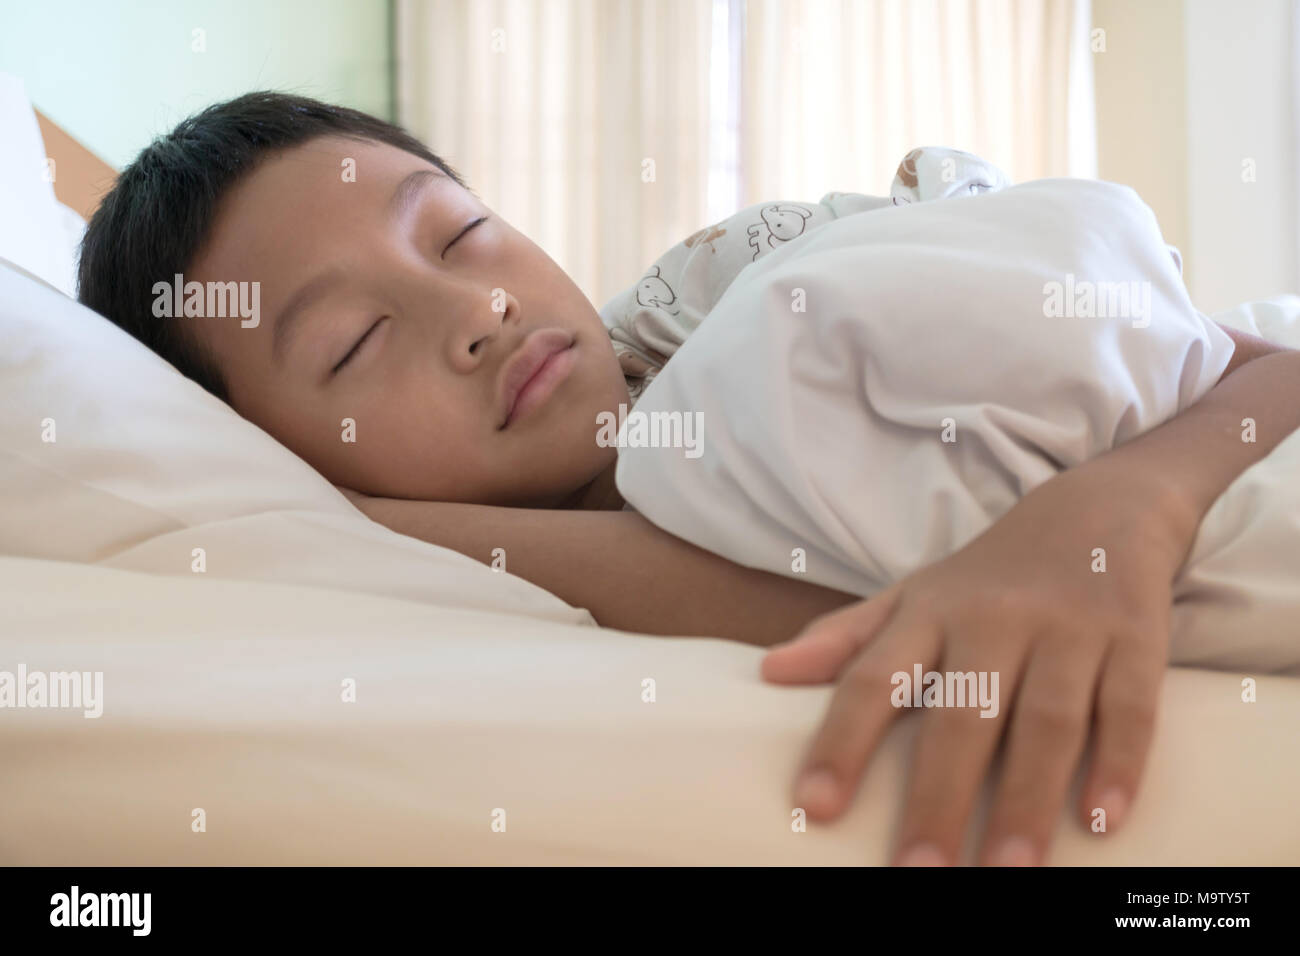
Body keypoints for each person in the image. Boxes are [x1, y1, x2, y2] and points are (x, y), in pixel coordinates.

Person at [78, 92, 1300, 865]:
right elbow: (778, 601)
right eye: (350, 344)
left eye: (459, 232)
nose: (478, 309)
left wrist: (1126, 498)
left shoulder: (716, 300)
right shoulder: (395, 550)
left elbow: (1257, 362)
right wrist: (349, 516)